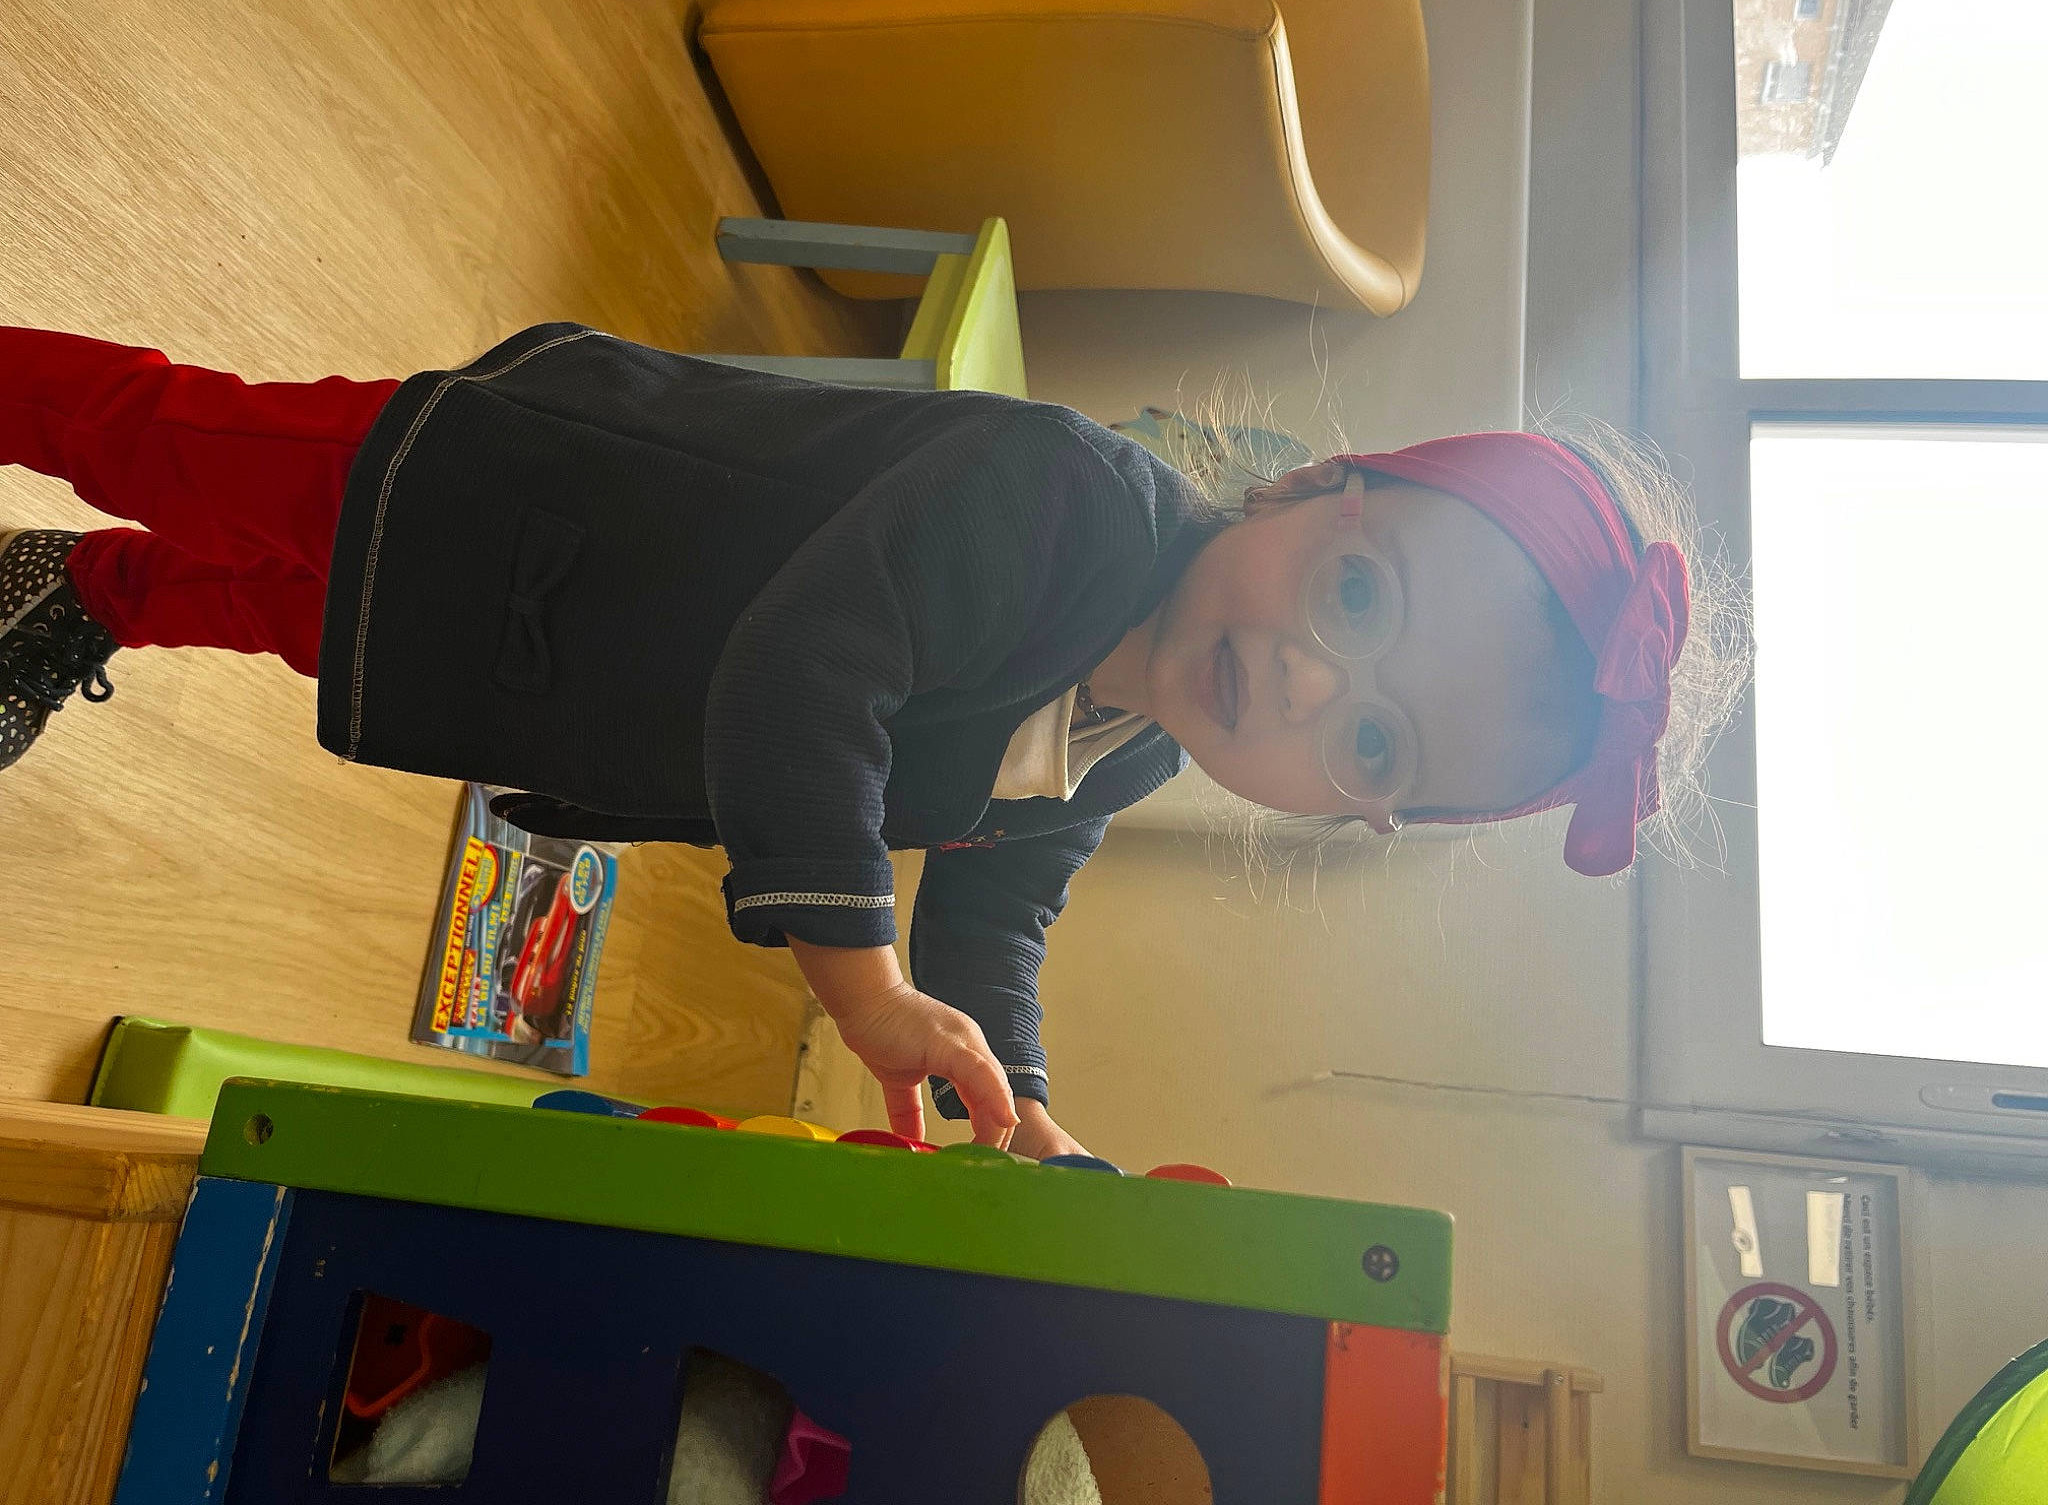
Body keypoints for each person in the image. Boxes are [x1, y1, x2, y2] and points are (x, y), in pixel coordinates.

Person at [0, 324, 1740, 1158]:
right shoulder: (1065, 504)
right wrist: (860, 982)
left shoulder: (1131, 741)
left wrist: (1025, 1099)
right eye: (1356, 601)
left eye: (1371, 746)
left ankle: (85, 596)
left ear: (1344, 814)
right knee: (188, 447)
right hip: (529, 505)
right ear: (1309, 485)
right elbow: (810, 673)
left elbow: (1010, 898)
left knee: (294, 611)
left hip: (556, 673)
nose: (1299, 686)